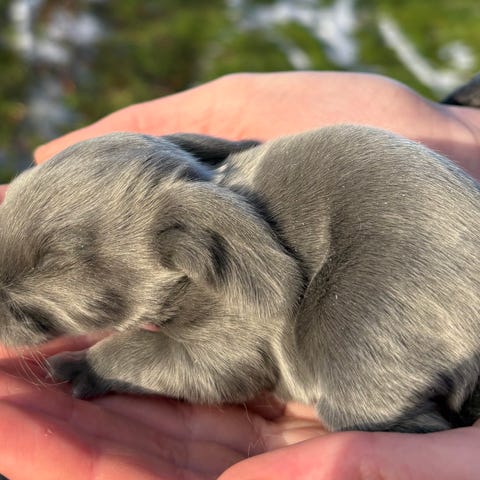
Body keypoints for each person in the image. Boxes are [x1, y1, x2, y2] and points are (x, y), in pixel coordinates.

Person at [1, 71, 480, 480]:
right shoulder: (197, 199)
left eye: (51, 262)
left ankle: (418, 427)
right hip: (429, 240)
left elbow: (230, 363)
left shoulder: (214, 245)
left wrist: (102, 365)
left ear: (190, 243)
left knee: (362, 404)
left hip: (392, 264)